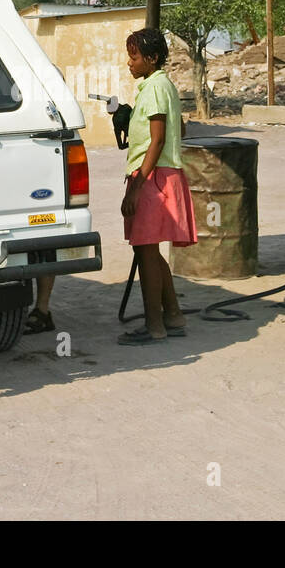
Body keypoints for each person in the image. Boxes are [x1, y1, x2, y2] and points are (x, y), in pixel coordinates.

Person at [117, 27, 197, 345]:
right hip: (164, 175)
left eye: (134, 56)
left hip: (152, 178)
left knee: (146, 251)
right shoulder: (161, 85)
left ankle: (154, 326)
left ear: (151, 58)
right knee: (149, 251)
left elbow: (158, 138)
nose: (129, 62)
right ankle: (173, 315)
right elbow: (179, 131)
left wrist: (137, 186)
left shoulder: (153, 89)